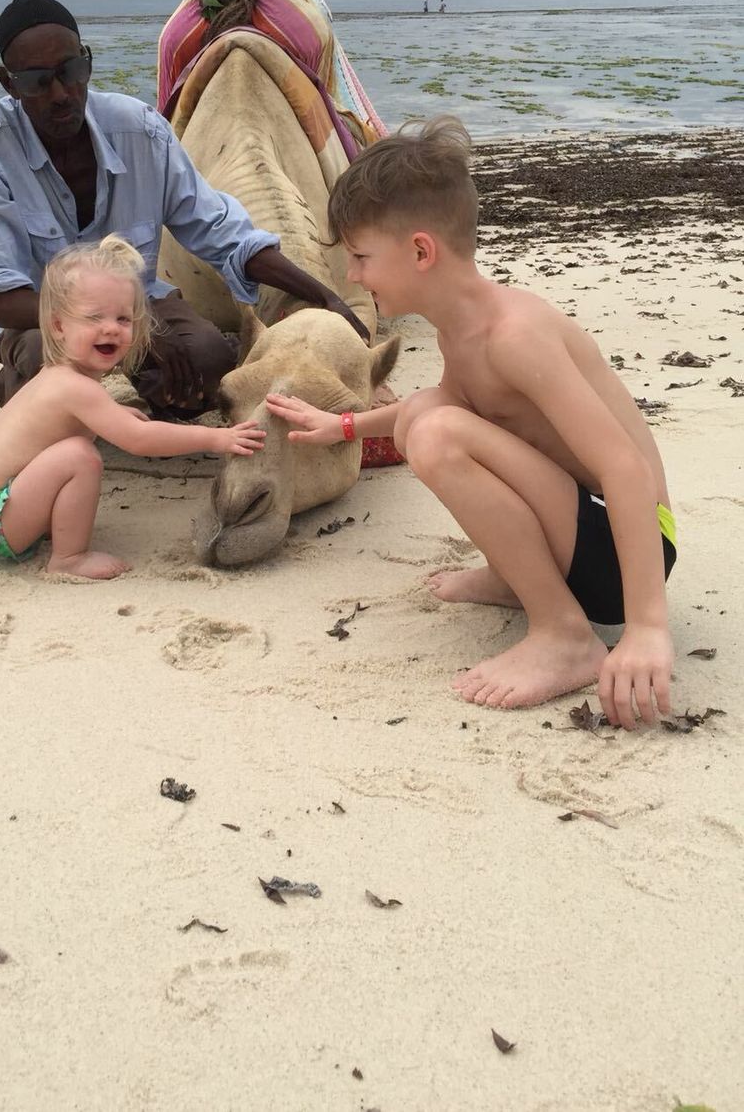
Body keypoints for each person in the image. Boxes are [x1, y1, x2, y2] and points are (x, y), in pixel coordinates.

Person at [265, 116, 677, 729]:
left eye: (359, 256)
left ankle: (565, 633)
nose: (350, 276)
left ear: (421, 250)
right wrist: (343, 426)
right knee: (427, 415)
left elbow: (624, 467)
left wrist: (646, 626)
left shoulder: (515, 335)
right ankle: (520, 578)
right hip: (584, 529)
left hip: (629, 546)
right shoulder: (462, 329)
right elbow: (440, 405)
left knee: (434, 431)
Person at [0, 0, 368, 415]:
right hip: (45, 316)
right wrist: (133, 328)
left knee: (207, 363)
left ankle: (128, 399)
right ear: (8, 83)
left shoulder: (141, 131)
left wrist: (325, 296)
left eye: (72, 71)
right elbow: (2, 298)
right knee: (45, 355)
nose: (61, 93)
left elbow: (223, 232)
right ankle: (38, 393)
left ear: (87, 61)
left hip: (140, 301)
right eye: (38, 81)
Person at [0, 236, 265, 579]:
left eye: (123, 319)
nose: (111, 329)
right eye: (94, 317)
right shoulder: (76, 388)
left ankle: (47, 526)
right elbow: (140, 440)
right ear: (58, 326)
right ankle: (68, 559)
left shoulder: (56, 375)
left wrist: (115, 418)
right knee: (80, 457)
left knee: (74, 446)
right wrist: (214, 439)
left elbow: (57, 429)